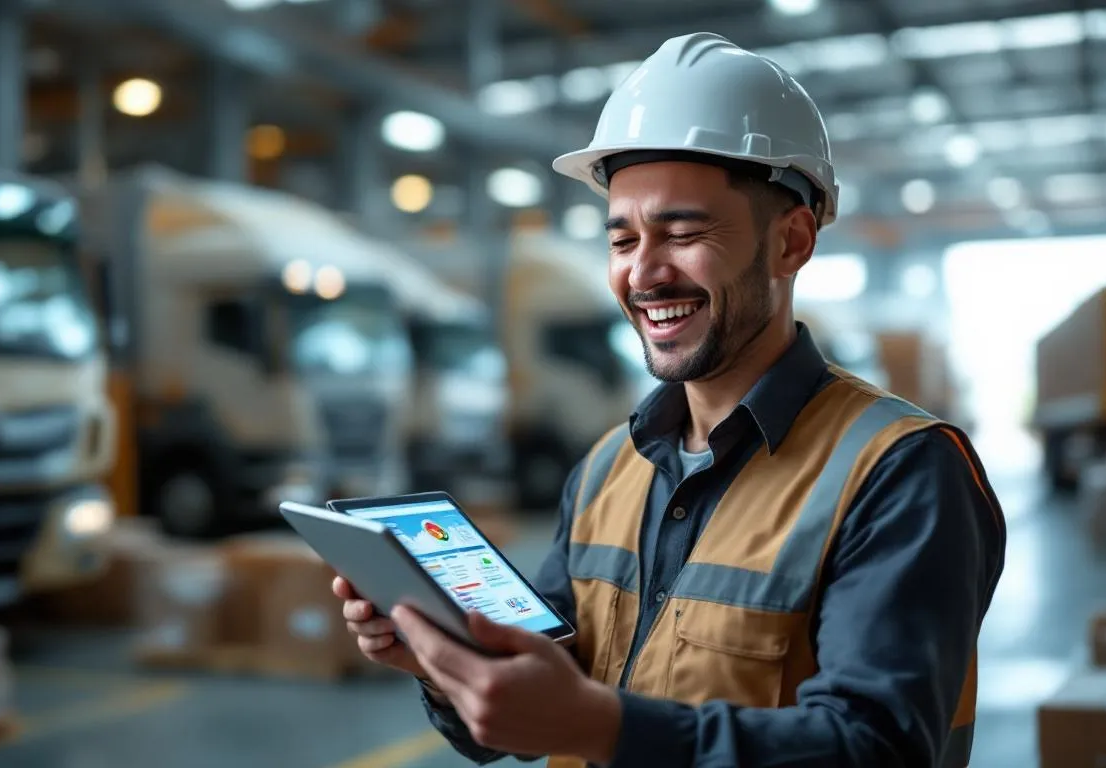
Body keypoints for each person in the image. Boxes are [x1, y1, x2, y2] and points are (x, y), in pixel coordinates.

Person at [331, 32, 1006, 767]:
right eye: (622, 240)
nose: (644, 274)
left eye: (683, 232)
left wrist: (605, 728)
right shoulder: (603, 471)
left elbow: (874, 748)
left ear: (792, 242)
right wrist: (447, 668)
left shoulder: (900, 474)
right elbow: (537, 708)